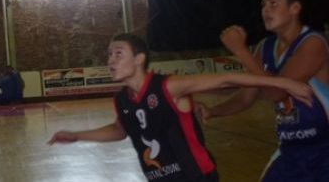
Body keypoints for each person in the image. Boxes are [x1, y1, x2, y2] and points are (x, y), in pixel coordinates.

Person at [48, 33, 313, 182]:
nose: (110, 60)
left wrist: (286, 83)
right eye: (109, 54)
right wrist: (78, 135)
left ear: (139, 59)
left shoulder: (169, 86)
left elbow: (227, 78)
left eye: (118, 53)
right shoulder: (122, 100)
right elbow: (119, 130)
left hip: (195, 177)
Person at [197, 0, 329, 181]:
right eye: (263, 5)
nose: (266, 10)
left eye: (273, 3)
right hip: (290, 150)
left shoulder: (313, 43)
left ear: (295, 8)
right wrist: (212, 111)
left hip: (324, 149)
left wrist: (241, 52)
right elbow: (245, 97)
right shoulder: (265, 47)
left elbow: (277, 93)